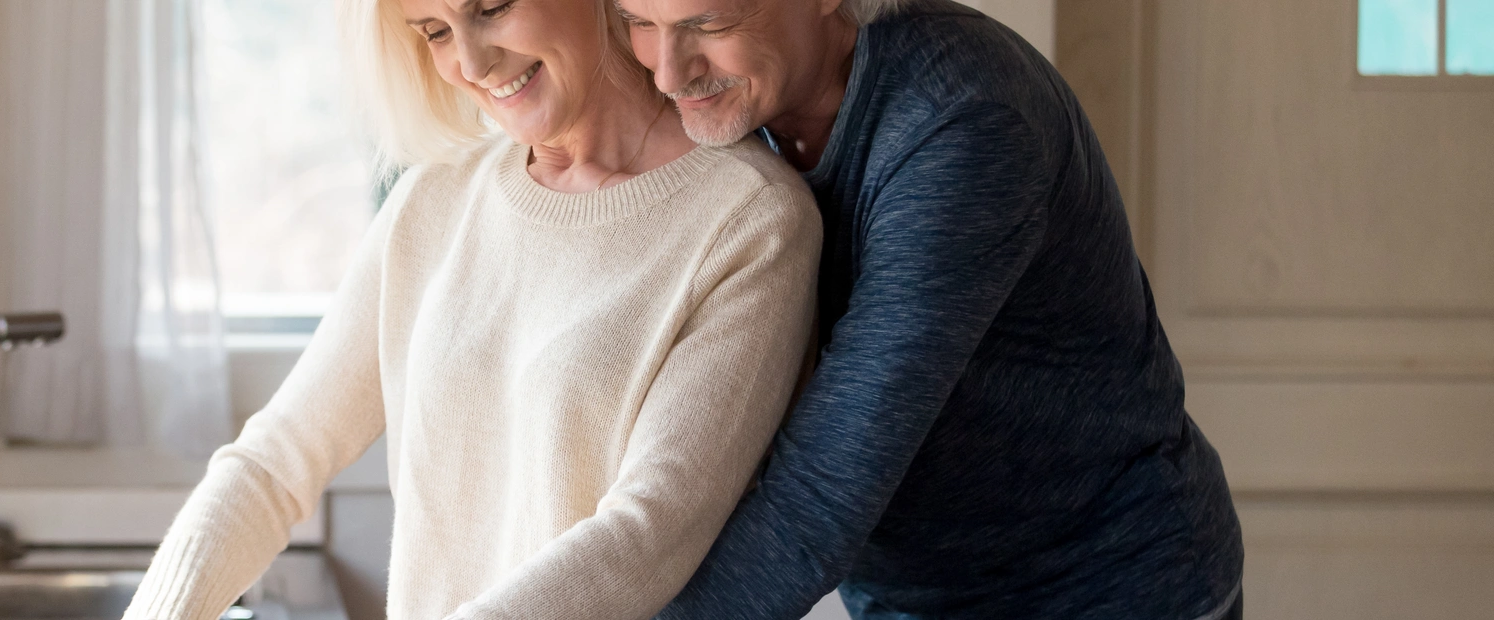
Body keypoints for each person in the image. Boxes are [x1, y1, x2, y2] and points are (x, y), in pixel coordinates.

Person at [120, 0, 822, 617]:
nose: (471, 61)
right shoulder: (436, 199)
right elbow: (273, 463)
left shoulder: (748, 219)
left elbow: (650, 532)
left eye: (491, 7)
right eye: (433, 31)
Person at [610, 0, 1245, 618]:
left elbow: (820, 497)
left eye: (710, 23)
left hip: (1102, 585)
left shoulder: (964, 117)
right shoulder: (742, 107)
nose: (667, 72)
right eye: (639, 21)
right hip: (905, 592)